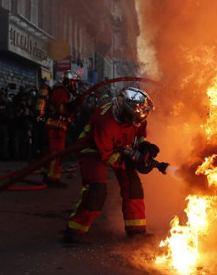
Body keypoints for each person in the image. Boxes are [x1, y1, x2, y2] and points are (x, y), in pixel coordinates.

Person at [64, 86, 160, 243]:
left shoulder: (136, 113)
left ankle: (136, 230)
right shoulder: (106, 124)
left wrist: (143, 146)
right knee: (97, 190)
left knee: (133, 186)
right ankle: (75, 230)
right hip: (93, 149)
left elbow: (139, 133)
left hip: (117, 147)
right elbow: (108, 156)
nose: (139, 122)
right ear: (124, 114)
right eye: (135, 119)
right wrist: (133, 159)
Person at [44, 70, 81, 186]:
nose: (75, 85)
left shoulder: (63, 91)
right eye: (74, 83)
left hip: (59, 126)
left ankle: (48, 175)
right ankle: (53, 179)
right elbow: (61, 109)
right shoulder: (61, 91)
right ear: (69, 82)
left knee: (56, 153)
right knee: (56, 154)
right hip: (56, 126)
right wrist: (73, 105)